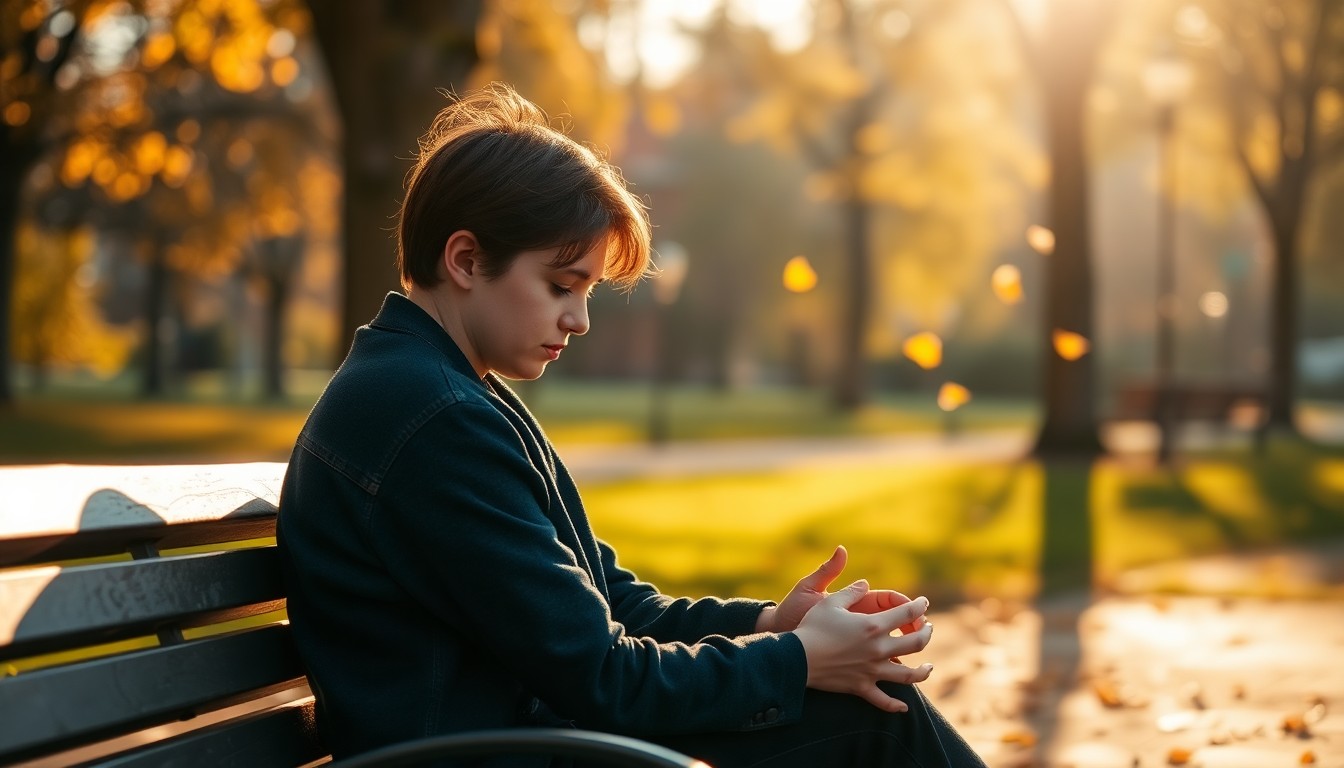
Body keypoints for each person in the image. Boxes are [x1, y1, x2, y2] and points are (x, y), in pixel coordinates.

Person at [277, 82, 986, 768]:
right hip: (506, 751)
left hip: (533, 740)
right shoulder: (431, 421)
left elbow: (613, 606)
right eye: (560, 286)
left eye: (585, 291)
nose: (578, 320)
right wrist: (800, 661)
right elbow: (605, 677)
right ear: (465, 260)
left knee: (866, 708)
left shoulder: (438, 395)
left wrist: (773, 627)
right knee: (873, 722)